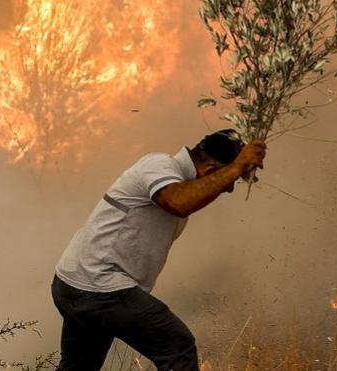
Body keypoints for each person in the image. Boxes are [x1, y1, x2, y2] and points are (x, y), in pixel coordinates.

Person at [51, 129, 266, 371]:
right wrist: (236, 168)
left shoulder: (175, 177)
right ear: (210, 171)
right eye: (227, 182)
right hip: (100, 287)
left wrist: (235, 169)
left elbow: (190, 199)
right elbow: (179, 202)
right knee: (177, 347)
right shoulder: (159, 165)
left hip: (74, 283)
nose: (229, 189)